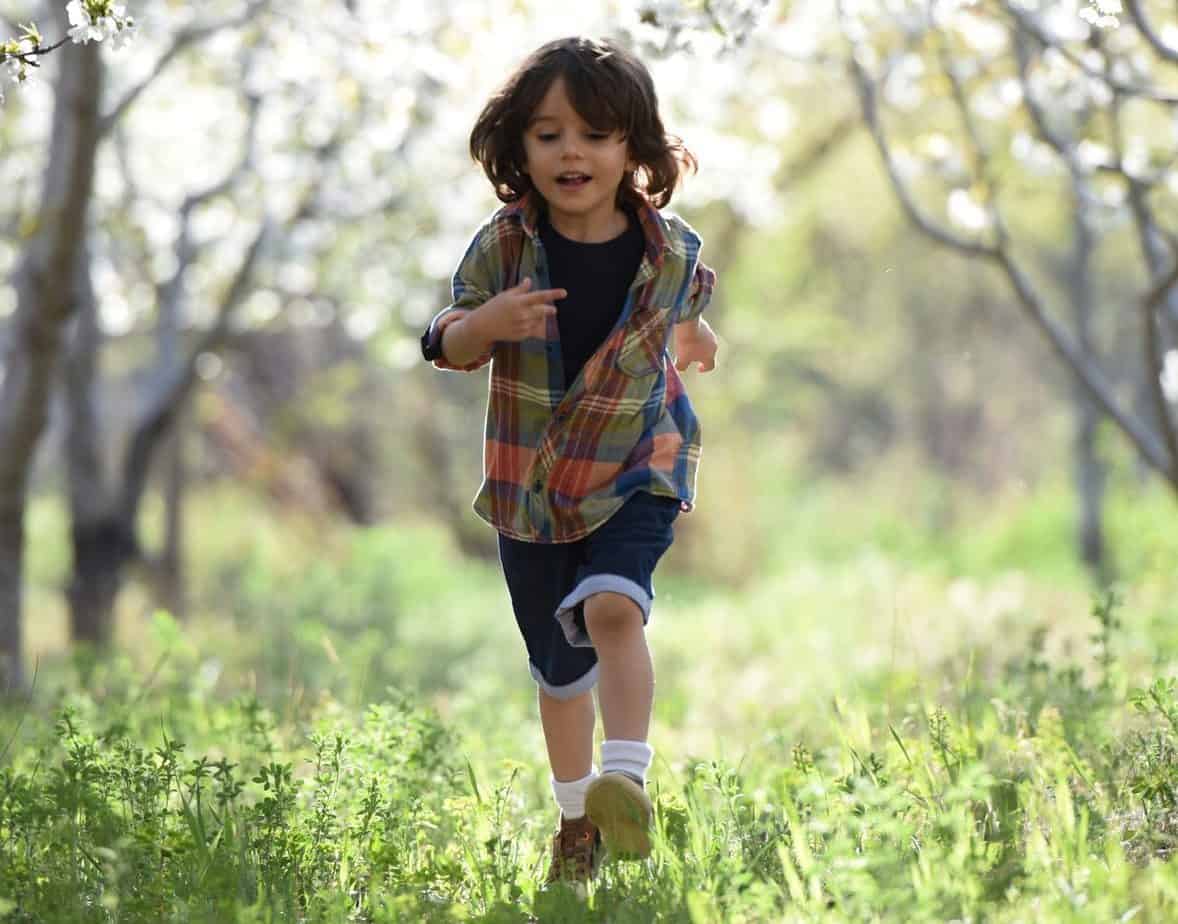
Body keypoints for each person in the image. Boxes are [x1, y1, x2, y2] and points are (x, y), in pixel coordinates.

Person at [419, 35, 718, 889]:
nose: (571, 153)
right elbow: (443, 336)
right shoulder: (504, 249)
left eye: (593, 133)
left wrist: (696, 337)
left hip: (639, 462)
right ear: (519, 150)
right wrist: (484, 327)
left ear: (634, 149)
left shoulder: (671, 249)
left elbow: (687, 303)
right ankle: (577, 817)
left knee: (616, 609)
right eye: (548, 135)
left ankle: (627, 775)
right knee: (560, 669)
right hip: (536, 491)